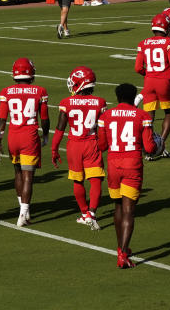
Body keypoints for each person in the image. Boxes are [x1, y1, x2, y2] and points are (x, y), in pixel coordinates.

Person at [97, 83, 157, 268]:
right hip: (132, 165)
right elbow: (149, 148)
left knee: (118, 206)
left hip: (114, 165)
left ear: (117, 97)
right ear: (133, 98)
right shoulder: (143, 116)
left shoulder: (106, 116)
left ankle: (120, 247)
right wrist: (157, 145)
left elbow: (101, 146)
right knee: (129, 210)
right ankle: (123, 252)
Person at [51, 66, 106, 230]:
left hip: (74, 145)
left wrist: (54, 149)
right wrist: (103, 146)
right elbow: (104, 128)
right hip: (92, 143)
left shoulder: (66, 103)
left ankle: (84, 214)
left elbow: (60, 129)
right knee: (95, 180)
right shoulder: (100, 102)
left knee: (77, 179)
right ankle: (93, 213)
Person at [0, 58, 49, 227]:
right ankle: (23, 214)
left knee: (17, 172)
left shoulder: (6, 91)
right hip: (29, 136)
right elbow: (45, 118)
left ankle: (23, 210)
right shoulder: (39, 91)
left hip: (13, 136)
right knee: (28, 177)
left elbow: (2, 120)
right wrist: (46, 135)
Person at [135, 15, 170, 158]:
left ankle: (149, 146)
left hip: (149, 82)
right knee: (168, 112)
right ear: (166, 27)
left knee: (149, 116)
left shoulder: (143, 43)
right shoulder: (169, 42)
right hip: (164, 81)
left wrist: (148, 73)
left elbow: (137, 68)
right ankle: (160, 143)